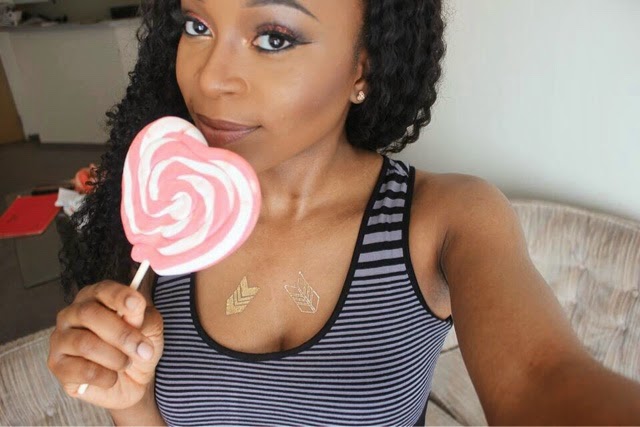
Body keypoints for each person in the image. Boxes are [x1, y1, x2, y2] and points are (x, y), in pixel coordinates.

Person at [48, 0, 640, 425]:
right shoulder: (166, 224)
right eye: (197, 25)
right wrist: (130, 400)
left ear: (363, 65)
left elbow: (543, 380)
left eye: (273, 38)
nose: (210, 79)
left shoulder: (448, 220)